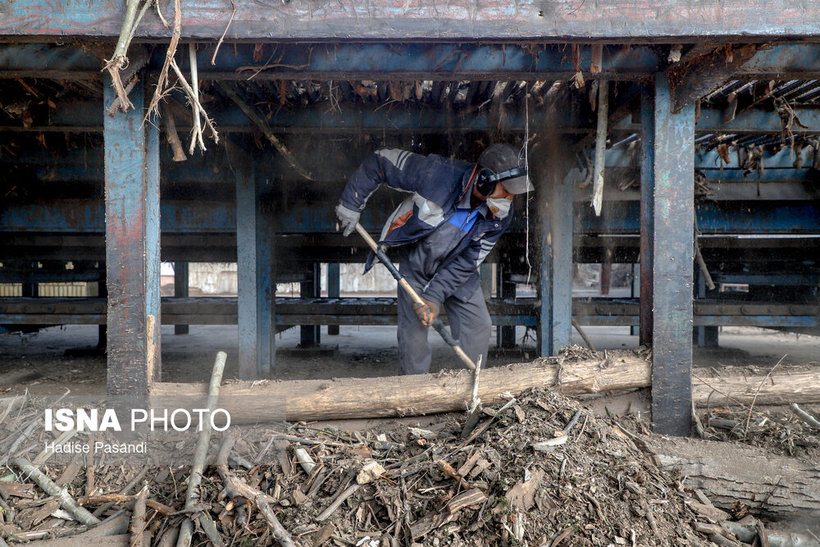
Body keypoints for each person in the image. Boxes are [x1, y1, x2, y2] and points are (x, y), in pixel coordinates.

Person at [335, 144, 533, 375]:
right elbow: (381, 160)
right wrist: (351, 203)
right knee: (414, 333)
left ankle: (469, 391)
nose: (510, 199)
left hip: (458, 269)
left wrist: (434, 296)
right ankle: (413, 393)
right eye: (507, 191)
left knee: (478, 325)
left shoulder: (500, 217)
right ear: (485, 180)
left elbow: (469, 261)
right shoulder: (436, 174)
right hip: (418, 260)